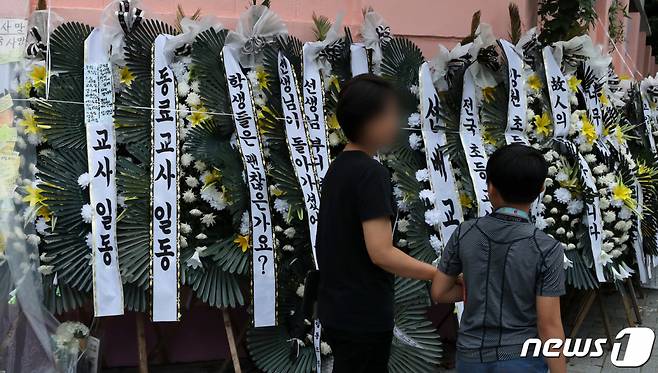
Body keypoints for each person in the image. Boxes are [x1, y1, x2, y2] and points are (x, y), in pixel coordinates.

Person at [316, 74, 438, 373]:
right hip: (363, 311)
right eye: (391, 114)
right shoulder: (370, 173)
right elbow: (381, 252)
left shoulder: (339, 167)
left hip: (337, 306)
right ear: (370, 121)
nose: (396, 123)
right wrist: (438, 273)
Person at [431, 144, 566, 373]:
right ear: (541, 188)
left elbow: (440, 292)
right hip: (522, 358)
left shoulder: (465, 232)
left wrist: (474, 288)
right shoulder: (546, 248)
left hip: (470, 356)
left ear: (490, 188)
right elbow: (549, 324)